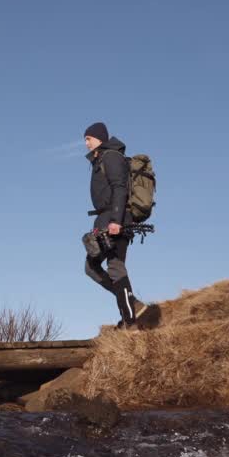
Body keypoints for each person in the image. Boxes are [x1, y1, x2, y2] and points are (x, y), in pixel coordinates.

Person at [81, 121, 155, 329]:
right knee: (92, 267)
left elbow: (120, 189)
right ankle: (132, 305)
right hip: (107, 219)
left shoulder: (111, 156)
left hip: (117, 220)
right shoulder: (101, 159)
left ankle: (130, 322)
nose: (86, 143)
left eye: (88, 138)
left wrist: (115, 221)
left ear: (100, 138)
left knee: (114, 266)